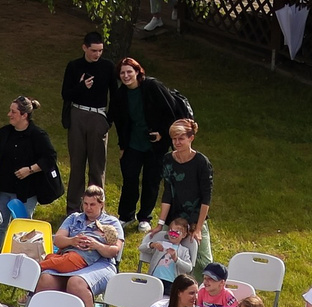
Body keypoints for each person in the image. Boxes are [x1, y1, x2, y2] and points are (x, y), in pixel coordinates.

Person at [109, 57, 183, 225]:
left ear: (137, 72)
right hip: (132, 144)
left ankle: (145, 217)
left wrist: (162, 133)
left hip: (155, 145)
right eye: (122, 72)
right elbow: (120, 123)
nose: (126, 75)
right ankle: (126, 216)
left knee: (151, 180)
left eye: (129, 71)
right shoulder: (121, 95)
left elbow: (171, 111)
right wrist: (122, 146)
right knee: (130, 180)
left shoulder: (152, 87)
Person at [0, 97, 62, 221]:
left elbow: (50, 158)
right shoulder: (4, 133)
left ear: (24, 115)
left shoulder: (38, 135)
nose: (9, 114)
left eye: (13, 112)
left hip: (26, 192)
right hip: (3, 189)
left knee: (22, 227)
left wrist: (29, 170)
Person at [50, 184, 125, 307]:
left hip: (102, 264)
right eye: (85, 203)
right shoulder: (73, 218)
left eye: (92, 204)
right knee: (45, 279)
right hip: (70, 259)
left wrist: (97, 245)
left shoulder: (112, 222)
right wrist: (72, 240)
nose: (88, 208)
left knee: (76, 283)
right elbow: (57, 240)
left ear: (101, 204)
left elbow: (114, 250)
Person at [60, 30, 113, 204]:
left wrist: (108, 121)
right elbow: (65, 94)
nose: (97, 54)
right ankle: (74, 205)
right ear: (84, 48)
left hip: (98, 115)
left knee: (97, 166)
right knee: (77, 163)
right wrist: (81, 87)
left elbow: (116, 96)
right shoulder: (74, 66)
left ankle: (96, 205)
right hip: (77, 115)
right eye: (93, 50)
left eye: (100, 50)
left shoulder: (107, 67)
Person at [155, 119, 214, 263]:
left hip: (195, 217)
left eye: (181, 138)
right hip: (175, 218)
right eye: (174, 139)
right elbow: (167, 192)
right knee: (170, 258)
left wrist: (198, 228)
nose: (177, 142)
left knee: (203, 261)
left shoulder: (201, 162)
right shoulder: (168, 159)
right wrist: (160, 224)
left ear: (191, 138)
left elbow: (206, 198)